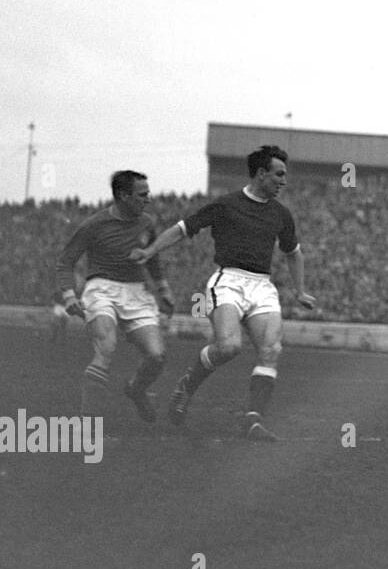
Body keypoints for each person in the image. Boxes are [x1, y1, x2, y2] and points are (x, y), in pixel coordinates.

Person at [130, 145, 314, 441]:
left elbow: (294, 252)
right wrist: (150, 250)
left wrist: (300, 291)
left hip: (262, 286)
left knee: (271, 350)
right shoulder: (226, 205)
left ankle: (252, 420)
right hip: (228, 281)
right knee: (229, 347)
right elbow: (181, 229)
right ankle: (186, 387)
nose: (283, 181)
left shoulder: (281, 214)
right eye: (279, 174)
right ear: (261, 173)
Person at [54, 170, 175, 420]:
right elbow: (65, 261)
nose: (148, 199)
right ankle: (87, 422)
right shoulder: (94, 225)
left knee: (156, 355)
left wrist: (163, 290)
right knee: (106, 348)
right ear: (123, 195)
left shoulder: (147, 223)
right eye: (142, 194)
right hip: (102, 289)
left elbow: (152, 260)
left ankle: (136, 389)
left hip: (136, 293)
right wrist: (69, 296)